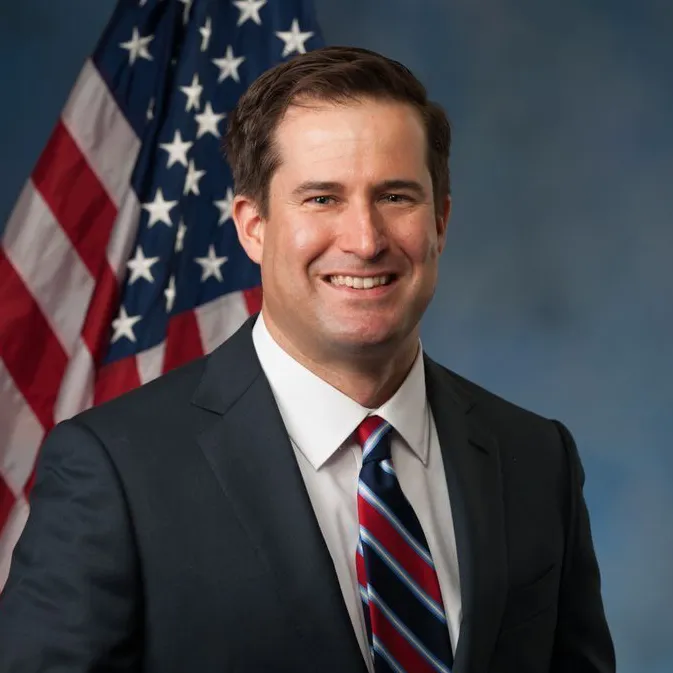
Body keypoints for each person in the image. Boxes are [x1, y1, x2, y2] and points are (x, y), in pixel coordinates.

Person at [0, 46, 615, 673]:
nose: (366, 240)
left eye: (396, 196)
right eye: (322, 198)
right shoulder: (116, 471)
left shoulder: (538, 461)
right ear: (252, 227)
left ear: (441, 222)